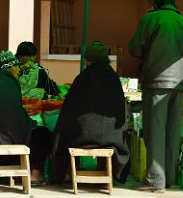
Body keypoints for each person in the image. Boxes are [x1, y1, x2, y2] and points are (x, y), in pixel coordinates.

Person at [128, 0, 183, 193]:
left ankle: (156, 181)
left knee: (155, 131)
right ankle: (171, 178)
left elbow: (134, 48)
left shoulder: (151, 19)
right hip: (180, 84)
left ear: (156, 4)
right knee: (173, 131)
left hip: (157, 81)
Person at [51, 41, 130, 184]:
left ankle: (67, 172)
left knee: (64, 133)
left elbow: (68, 110)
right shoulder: (113, 79)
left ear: (88, 60)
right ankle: (107, 170)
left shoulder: (83, 78)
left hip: (81, 137)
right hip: (112, 138)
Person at [0, 50, 52, 185]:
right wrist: (30, 123)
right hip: (4, 146)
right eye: (16, 67)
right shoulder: (9, 84)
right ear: (9, 68)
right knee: (42, 134)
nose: (18, 70)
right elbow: (16, 122)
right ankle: (34, 176)